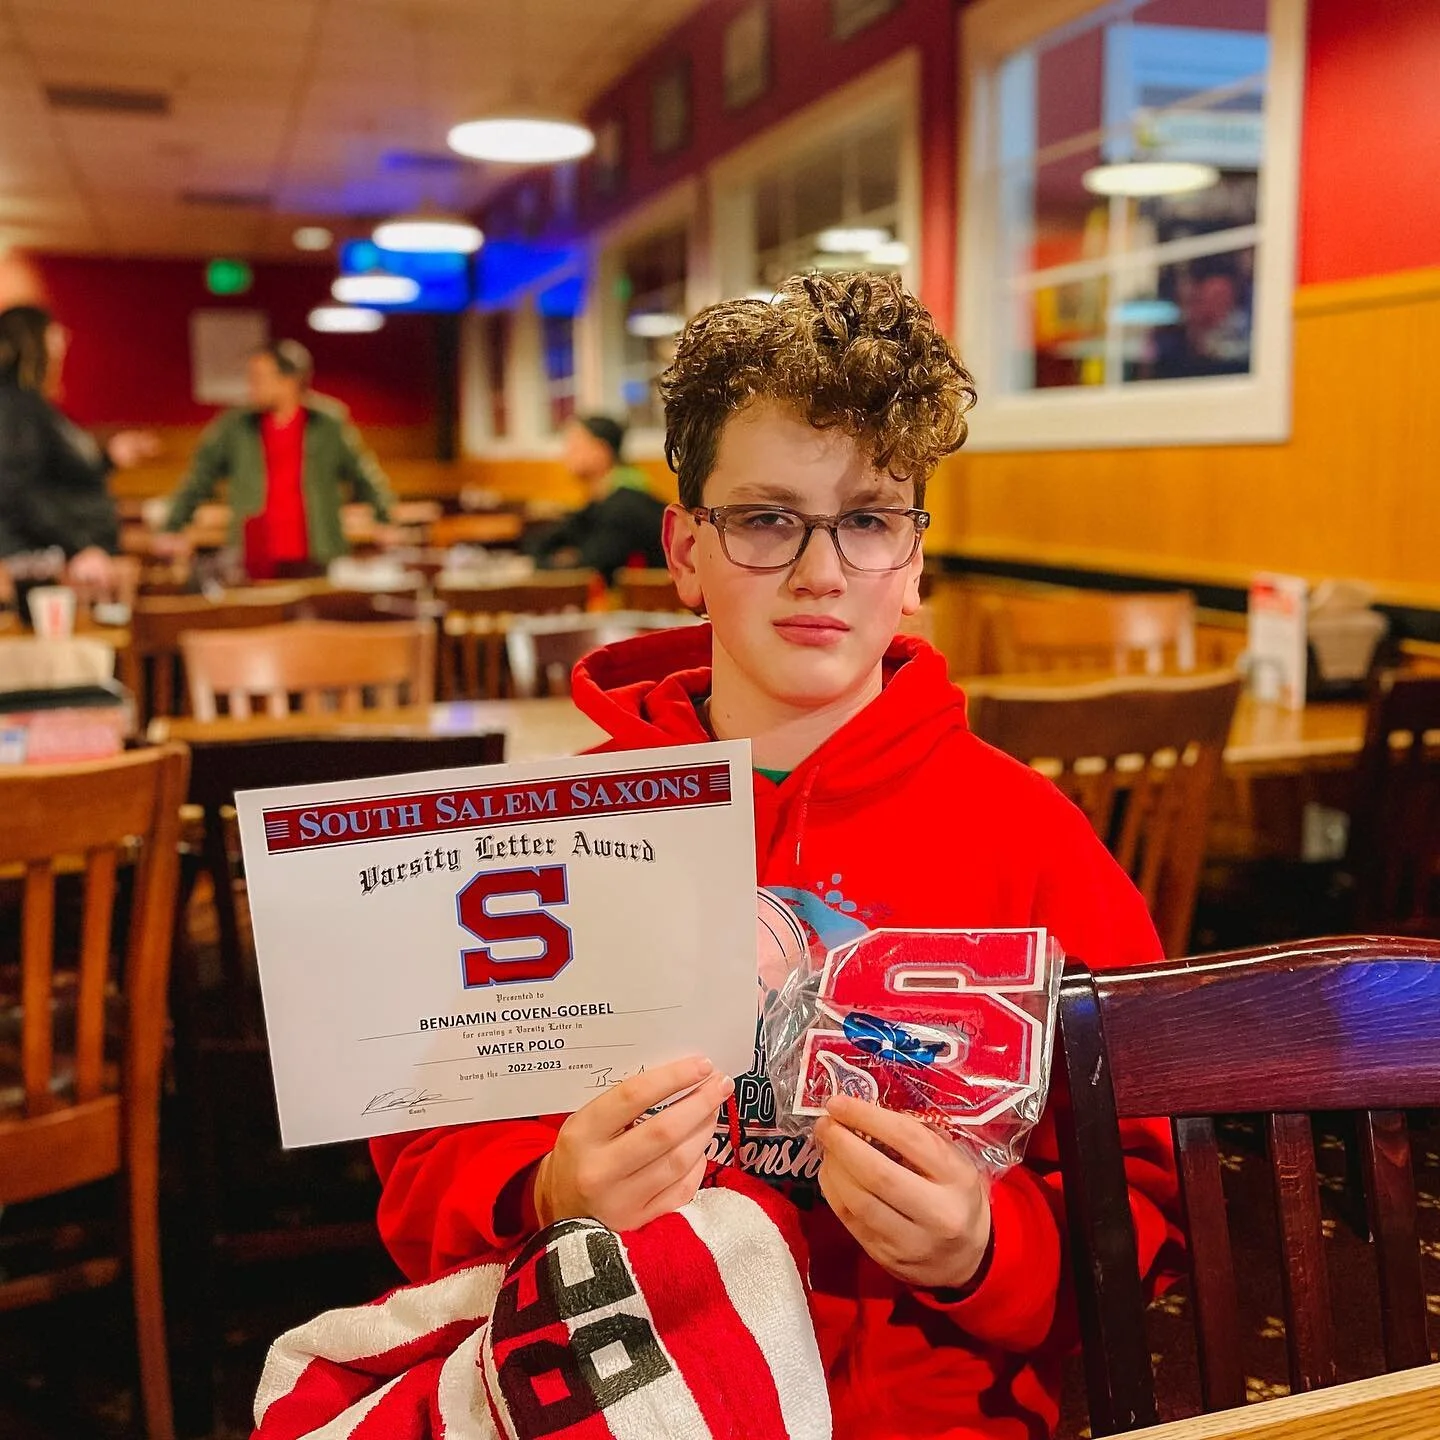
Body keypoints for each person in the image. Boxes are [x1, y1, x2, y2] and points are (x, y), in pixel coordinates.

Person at [370, 273, 1180, 1439]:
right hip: (614, 1399)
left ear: (913, 561)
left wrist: (987, 1248)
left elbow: (1144, 1193)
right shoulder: (544, 836)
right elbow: (419, 1167)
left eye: (869, 519)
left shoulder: (1033, 838)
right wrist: (550, 1188)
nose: (820, 571)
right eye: (764, 519)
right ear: (686, 551)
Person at [159, 339, 394, 580]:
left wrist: (385, 519)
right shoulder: (235, 425)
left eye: (259, 378)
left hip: (316, 552)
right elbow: (200, 477)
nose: (251, 386)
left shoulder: (328, 423)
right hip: (254, 554)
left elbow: (363, 474)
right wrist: (172, 526)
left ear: (290, 381)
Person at [0, 304, 158, 601]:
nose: (63, 339)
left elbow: (56, 478)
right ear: (32, 340)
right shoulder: (15, 407)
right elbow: (21, 491)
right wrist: (77, 548)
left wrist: (108, 459)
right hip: (43, 565)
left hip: (66, 556)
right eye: (53, 333)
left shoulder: (31, 405)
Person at [524, 413, 666, 583]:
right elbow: (544, 544)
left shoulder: (625, 503)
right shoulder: (603, 498)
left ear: (601, 451)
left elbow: (587, 570)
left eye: (575, 446)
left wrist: (565, 559)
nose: (565, 454)